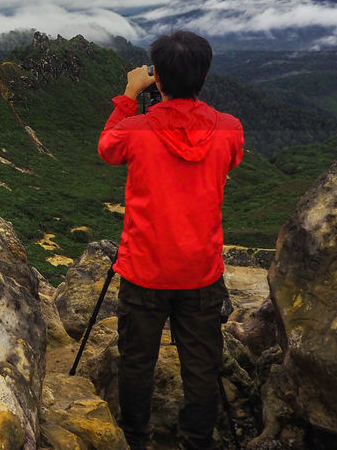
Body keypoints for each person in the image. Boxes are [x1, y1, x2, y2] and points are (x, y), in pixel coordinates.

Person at [97, 29, 244, 450]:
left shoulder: (136, 130)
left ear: (156, 77)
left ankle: (136, 439)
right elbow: (230, 160)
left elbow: (108, 148)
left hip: (144, 268)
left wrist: (129, 94)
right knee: (202, 365)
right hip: (200, 269)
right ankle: (196, 440)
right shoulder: (228, 129)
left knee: (137, 361)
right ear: (204, 74)